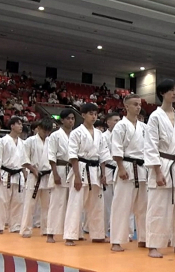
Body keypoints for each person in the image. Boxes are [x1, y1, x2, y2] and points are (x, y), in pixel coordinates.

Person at [144, 79, 175, 258]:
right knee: (158, 207)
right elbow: (151, 145)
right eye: (170, 90)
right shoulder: (155, 117)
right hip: (162, 164)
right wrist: (157, 171)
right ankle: (153, 245)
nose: (174, 93)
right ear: (162, 93)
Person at [63, 103, 110, 246]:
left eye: (95, 114)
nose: (94, 117)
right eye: (91, 114)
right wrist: (77, 176)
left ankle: (98, 234)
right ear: (83, 115)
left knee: (97, 205)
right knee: (76, 203)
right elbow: (73, 156)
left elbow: (103, 155)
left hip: (96, 170)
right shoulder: (76, 133)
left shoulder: (99, 134)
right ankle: (70, 235)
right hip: (81, 169)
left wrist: (103, 174)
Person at [110, 95, 149, 252]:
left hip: (142, 168)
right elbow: (116, 148)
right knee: (122, 206)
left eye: (139, 104)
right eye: (134, 104)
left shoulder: (144, 127)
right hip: (126, 166)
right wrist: (120, 167)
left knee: (143, 206)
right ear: (126, 106)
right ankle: (116, 241)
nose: (138, 107)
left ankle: (144, 238)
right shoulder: (120, 126)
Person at [20, 118, 54, 238]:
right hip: (34, 176)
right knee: (30, 204)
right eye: (44, 131)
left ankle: (46, 229)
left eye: (48, 131)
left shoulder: (51, 141)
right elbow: (24, 159)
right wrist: (33, 170)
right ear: (38, 129)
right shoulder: (30, 141)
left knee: (47, 205)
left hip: (47, 175)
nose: (46, 134)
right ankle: (26, 229)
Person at [46, 109, 76, 243]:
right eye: (68, 118)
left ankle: (71, 233)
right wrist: (55, 174)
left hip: (73, 170)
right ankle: (50, 233)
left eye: (73, 118)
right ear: (62, 120)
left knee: (73, 203)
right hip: (59, 168)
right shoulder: (55, 136)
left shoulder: (76, 134)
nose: (71, 121)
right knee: (56, 203)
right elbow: (51, 156)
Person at [0, 116, 26, 234]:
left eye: (21, 124)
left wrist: (25, 175)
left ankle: (15, 226)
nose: (21, 126)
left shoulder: (23, 143)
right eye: (19, 124)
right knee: (2, 201)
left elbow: (24, 161)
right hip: (5, 174)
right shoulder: (3, 141)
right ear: (12, 126)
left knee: (18, 202)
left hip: (18, 175)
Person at [102, 112, 121, 235]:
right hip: (108, 169)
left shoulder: (122, 134)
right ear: (108, 122)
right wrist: (102, 174)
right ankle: (105, 228)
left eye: (119, 120)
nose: (118, 123)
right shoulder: (103, 137)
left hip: (120, 169)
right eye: (115, 120)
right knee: (107, 203)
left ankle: (121, 230)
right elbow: (102, 157)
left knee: (121, 202)